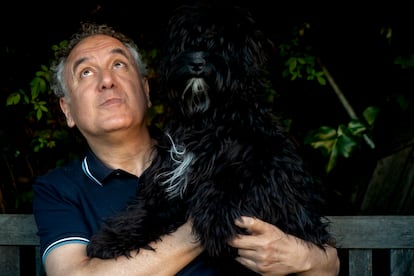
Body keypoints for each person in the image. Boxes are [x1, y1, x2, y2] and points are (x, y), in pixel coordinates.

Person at [32, 22, 340, 276]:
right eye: (86, 72)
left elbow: (326, 259)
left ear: (147, 90)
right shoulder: (58, 189)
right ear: (67, 110)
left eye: (118, 64)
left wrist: (307, 258)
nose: (107, 81)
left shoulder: (218, 145)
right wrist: (205, 224)